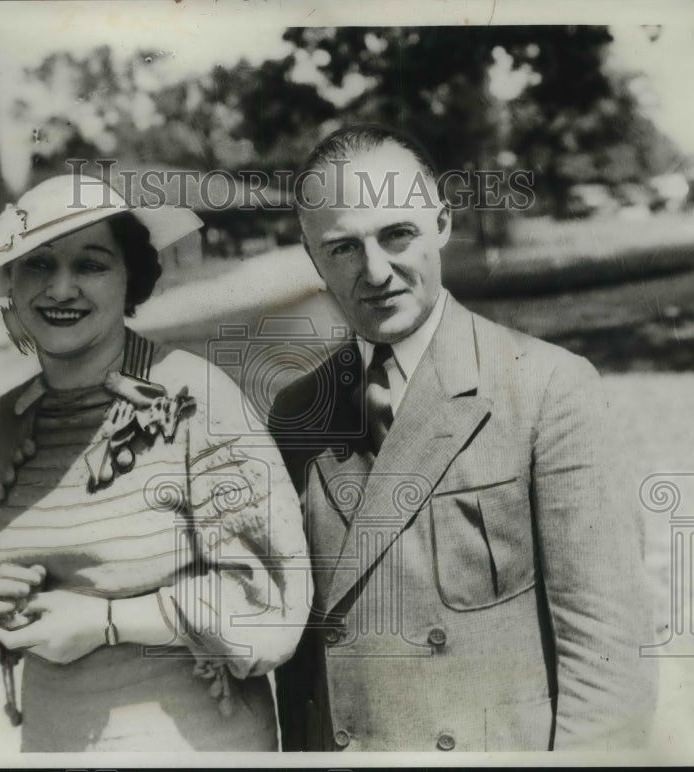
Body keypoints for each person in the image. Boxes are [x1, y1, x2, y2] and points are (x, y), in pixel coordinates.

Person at [270, 125, 656, 752]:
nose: (375, 272)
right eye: (342, 248)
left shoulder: (548, 389)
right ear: (313, 258)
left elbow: (607, 649)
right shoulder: (296, 413)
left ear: (443, 223)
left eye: (398, 235)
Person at [0, 174, 310, 752]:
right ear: (10, 282)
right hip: (52, 741)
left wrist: (106, 622)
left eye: (90, 265)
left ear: (130, 278)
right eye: (37, 265)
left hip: (193, 746)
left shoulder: (194, 397)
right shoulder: (2, 426)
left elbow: (271, 605)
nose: (60, 289)